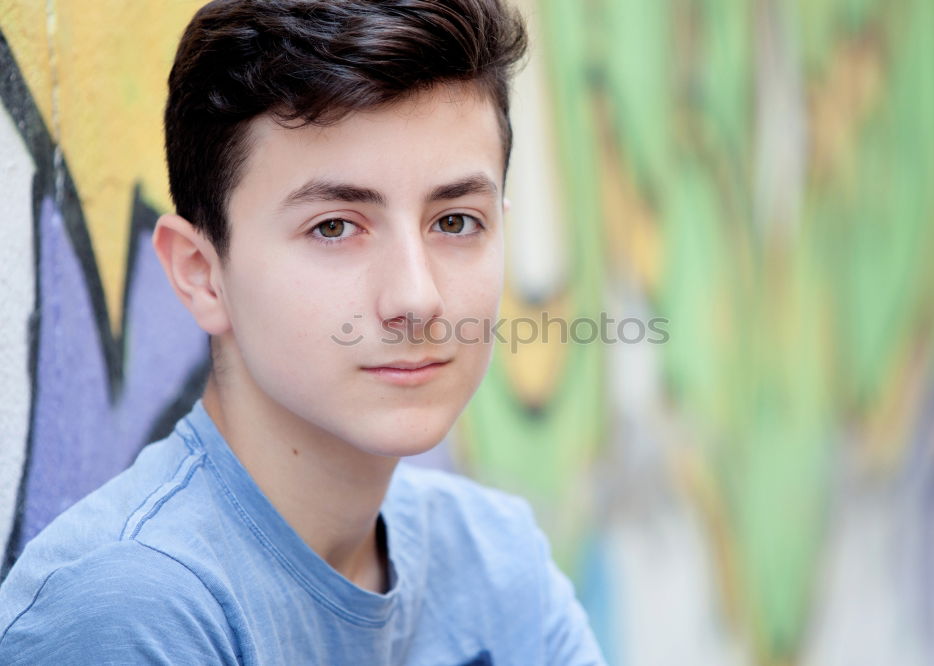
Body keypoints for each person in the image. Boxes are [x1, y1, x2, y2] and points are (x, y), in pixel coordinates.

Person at [0, 1, 606, 663]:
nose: (417, 298)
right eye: (334, 227)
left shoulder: (497, 563)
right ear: (203, 275)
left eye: (456, 221)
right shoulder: (133, 609)